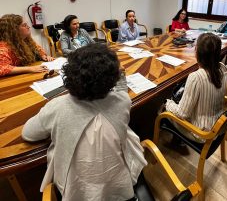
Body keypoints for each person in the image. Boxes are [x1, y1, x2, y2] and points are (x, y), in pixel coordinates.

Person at [22, 43, 146, 200]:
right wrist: (119, 75)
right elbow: (122, 91)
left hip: (75, 191)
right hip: (119, 187)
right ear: (111, 80)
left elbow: (28, 134)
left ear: (69, 75)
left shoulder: (57, 106)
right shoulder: (122, 101)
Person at [165, 33, 227, 142]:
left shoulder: (196, 77)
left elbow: (182, 114)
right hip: (217, 124)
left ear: (197, 51)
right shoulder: (223, 68)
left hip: (201, 132)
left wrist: (167, 103)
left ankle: (177, 142)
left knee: (162, 110)